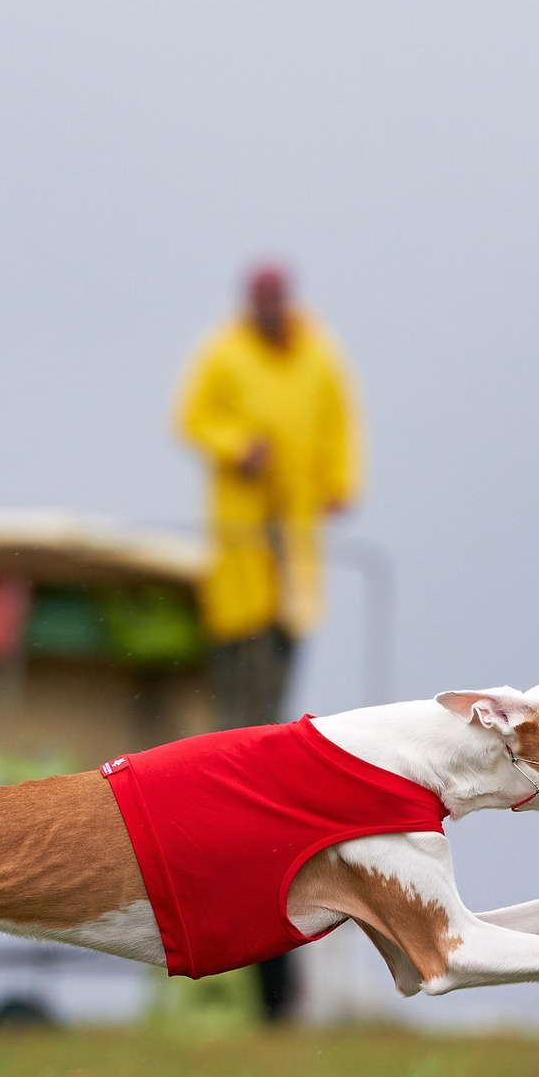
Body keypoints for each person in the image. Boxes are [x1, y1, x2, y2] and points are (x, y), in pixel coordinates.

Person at [173, 262, 365, 1021]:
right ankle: (237, 769)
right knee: (241, 694)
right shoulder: (223, 354)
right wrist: (235, 443)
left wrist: (339, 479)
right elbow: (191, 417)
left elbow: (343, 422)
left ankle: (262, 762)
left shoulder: (319, 353)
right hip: (242, 555)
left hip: (296, 554)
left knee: (278, 674)